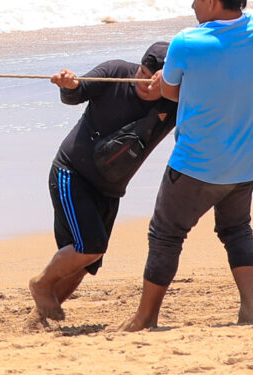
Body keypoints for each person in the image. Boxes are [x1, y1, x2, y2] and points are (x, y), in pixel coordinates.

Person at [127, 0, 253, 332]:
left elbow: (171, 93)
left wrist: (164, 80)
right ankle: (250, 310)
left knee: (166, 234)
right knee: (237, 230)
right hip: (246, 160)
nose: (192, 8)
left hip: (197, 163)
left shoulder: (188, 41)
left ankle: (145, 317)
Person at [29, 42, 176, 325]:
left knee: (87, 261)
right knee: (90, 246)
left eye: (154, 80)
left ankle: (39, 316)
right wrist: (69, 84)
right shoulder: (116, 72)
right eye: (143, 74)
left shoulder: (174, 101)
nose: (145, 84)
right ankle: (40, 285)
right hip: (72, 174)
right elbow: (76, 93)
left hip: (110, 188)